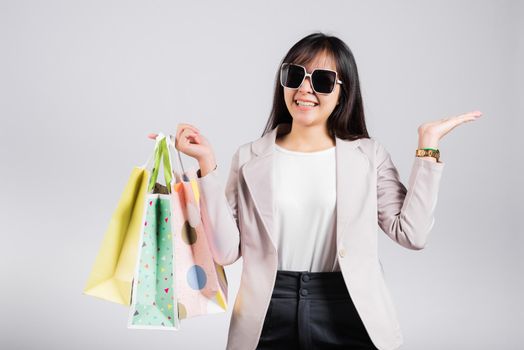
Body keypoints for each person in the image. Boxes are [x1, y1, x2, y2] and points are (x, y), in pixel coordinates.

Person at [149, 32, 482, 350]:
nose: (305, 88)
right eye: (295, 75)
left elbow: (412, 233)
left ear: (343, 91)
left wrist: (428, 146)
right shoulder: (249, 157)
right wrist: (206, 164)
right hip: (266, 310)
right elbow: (225, 252)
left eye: (321, 79)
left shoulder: (368, 156)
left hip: (348, 307)